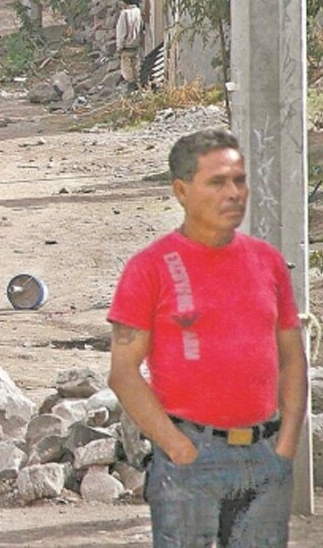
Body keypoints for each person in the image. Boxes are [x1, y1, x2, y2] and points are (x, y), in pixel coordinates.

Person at [107, 129, 307, 547]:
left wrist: (286, 442)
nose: (234, 193)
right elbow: (124, 373)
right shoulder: (150, 268)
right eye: (217, 182)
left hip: (265, 456)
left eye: (239, 180)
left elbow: (292, 357)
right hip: (191, 460)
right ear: (181, 190)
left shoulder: (267, 262)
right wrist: (178, 448)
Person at [116, 0, 143, 93]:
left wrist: (119, 47)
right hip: (136, 45)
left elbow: (121, 32)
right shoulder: (138, 11)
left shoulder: (124, 14)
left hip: (126, 46)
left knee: (127, 70)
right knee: (135, 68)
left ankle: (132, 89)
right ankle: (138, 89)